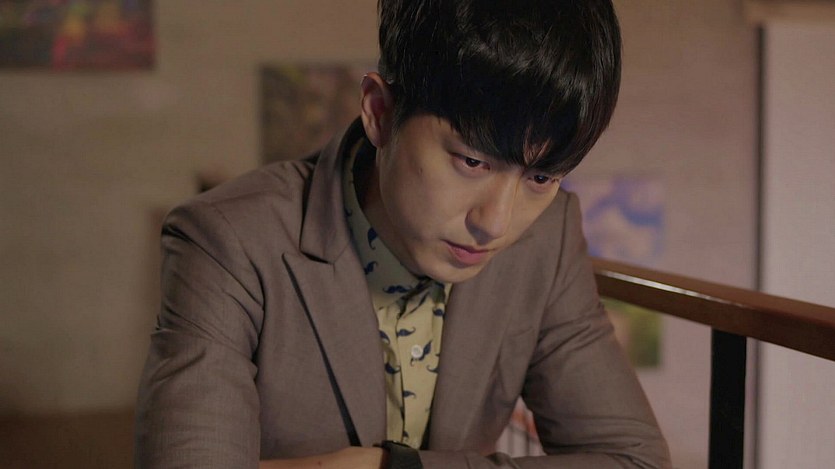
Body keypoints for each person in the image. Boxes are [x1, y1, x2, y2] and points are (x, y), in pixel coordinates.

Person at [135, 0, 672, 468]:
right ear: (380, 112)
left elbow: (634, 460)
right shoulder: (228, 240)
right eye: (472, 161)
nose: (496, 223)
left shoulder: (548, 238)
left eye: (540, 177)